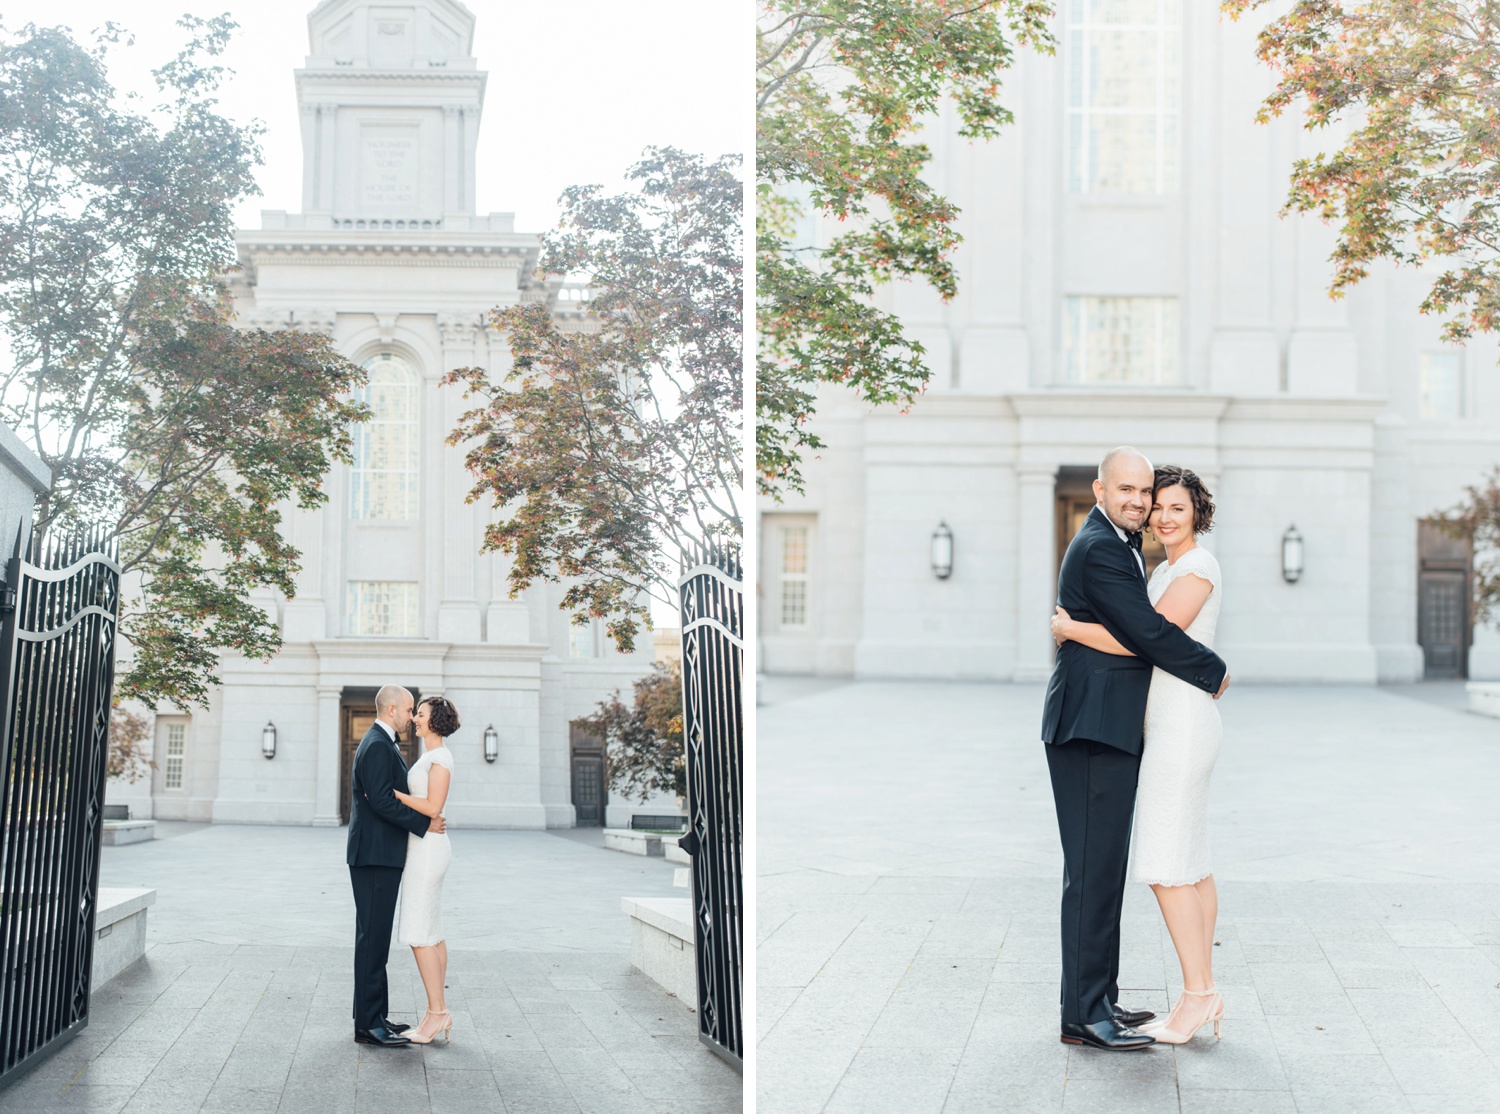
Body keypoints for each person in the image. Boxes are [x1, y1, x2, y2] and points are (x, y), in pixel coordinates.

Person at [1039, 446, 1229, 1052]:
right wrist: (1214, 670)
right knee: (1093, 874)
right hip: (1092, 726)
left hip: (1115, 725)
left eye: (1147, 493)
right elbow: (1147, 634)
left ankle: (1099, 1001)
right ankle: (1084, 1015)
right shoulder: (1101, 546)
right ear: (1100, 490)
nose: (1141, 502)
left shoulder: (1124, 546)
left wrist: (1071, 628)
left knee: (1101, 870)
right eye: (1129, 490)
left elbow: (1136, 631)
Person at [346, 684, 445, 1047]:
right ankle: (368, 1027)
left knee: (376, 940)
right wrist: (425, 823)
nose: (410, 717)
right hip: (374, 856)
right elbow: (382, 802)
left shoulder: (382, 742)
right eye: (408, 711)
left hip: (380, 855)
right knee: (372, 941)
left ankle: (375, 1017)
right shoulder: (375, 744)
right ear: (392, 710)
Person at [391, 695, 459, 1045]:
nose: (414, 718)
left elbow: (434, 806)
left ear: (434, 721)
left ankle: (437, 1013)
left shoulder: (440, 758)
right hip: (423, 847)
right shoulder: (431, 756)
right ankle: (436, 1012)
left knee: (419, 933)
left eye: (420, 714)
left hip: (429, 852)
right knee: (431, 930)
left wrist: (396, 795)